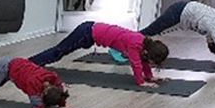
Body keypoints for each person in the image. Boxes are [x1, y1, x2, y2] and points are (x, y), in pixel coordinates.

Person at [138, 0, 215, 75]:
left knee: (154, 31)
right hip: (178, 11)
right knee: (152, 30)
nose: (208, 41)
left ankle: (130, 41)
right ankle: (126, 42)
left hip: (186, 7)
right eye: (210, 43)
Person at [29, 21, 169, 87]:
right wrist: (141, 82)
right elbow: (136, 64)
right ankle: (28, 64)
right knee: (58, 52)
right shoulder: (135, 44)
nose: (150, 64)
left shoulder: (144, 44)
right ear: (147, 52)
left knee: (59, 52)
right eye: (153, 62)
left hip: (91, 33)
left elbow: (143, 61)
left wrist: (150, 77)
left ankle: (30, 63)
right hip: (87, 32)